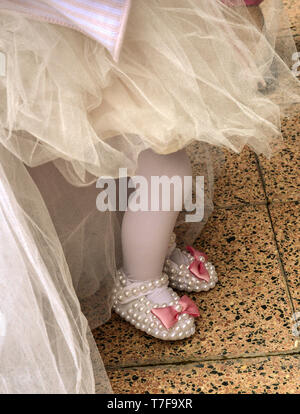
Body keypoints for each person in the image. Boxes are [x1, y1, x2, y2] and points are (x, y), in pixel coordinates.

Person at [0, 0, 299, 393]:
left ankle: (147, 246)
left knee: (142, 136)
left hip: (132, 15)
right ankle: (138, 278)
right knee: (158, 151)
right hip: (66, 24)